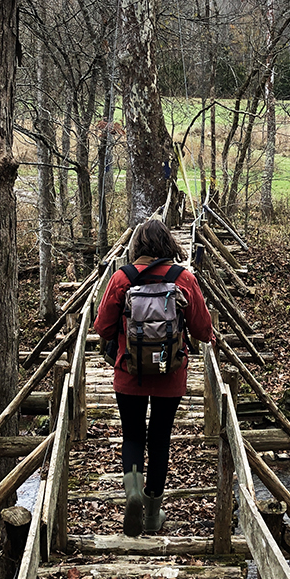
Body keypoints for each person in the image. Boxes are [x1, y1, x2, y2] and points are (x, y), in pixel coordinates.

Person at [94, 219, 215, 536]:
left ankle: (132, 492)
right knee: (160, 438)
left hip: (129, 374)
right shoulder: (183, 278)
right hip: (170, 374)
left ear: (137, 247)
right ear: (168, 245)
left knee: (133, 435)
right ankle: (151, 514)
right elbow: (203, 331)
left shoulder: (122, 278)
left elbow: (102, 328)